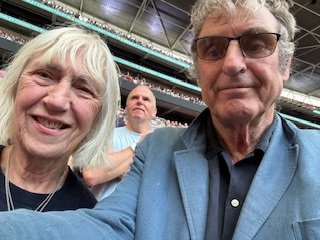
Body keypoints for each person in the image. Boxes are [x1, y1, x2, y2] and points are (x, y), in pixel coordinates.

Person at [0, 0, 320, 239]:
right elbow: (110, 227)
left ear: (285, 64)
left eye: (255, 44)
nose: (233, 63)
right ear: (197, 70)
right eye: (212, 49)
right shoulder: (157, 150)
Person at [0, 26, 120, 211]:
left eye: (84, 89)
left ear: (97, 119)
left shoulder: (85, 221)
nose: (57, 101)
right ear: (15, 85)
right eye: (44, 75)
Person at [82, 85, 157, 200]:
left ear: (154, 112)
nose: (140, 101)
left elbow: (154, 187)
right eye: (134, 98)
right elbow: (92, 174)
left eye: (146, 99)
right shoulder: (106, 134)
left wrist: (114, 167)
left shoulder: (160, 144)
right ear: (126, 108)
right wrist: (138, 146)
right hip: (97, 211)